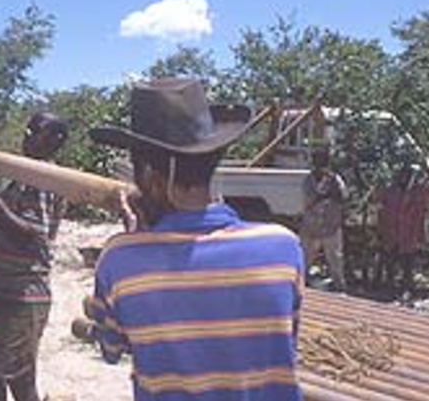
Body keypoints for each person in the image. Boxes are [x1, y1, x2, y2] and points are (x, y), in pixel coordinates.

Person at [76, 78, 304, 401]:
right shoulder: (284, 246)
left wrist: (140, 238)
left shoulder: (120, 259)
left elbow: (112, 347)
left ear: (151, 178)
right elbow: (285, 341)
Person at [0, 112, 69, 401]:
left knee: (18, 377)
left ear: (57, 141)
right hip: (4, 290)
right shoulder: (22, 178)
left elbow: (29, 233)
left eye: (38, 131)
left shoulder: (45, 179)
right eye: (29, 129)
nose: (28, 135)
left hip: (23, 293)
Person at [376, 164, 429, 292]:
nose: (405, 178)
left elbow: (426, 206)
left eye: (408, 175)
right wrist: (381, 230)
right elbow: (382, 209)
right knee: (389, 263)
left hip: (408, 235)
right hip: (391, 234)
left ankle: (407, 288)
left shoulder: (418, 192)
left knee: (407, 264)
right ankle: (389, 287)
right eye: (403, 175)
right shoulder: (391, 191)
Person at [298, 148, 348, 291]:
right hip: (311, 225)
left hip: (331, 225)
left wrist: (331, 190)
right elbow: (309, 199)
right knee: (305, 257)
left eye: (322, 161)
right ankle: (300, 283)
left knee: (335, 259)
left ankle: (340, 287)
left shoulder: (335, 179)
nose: (320, 164)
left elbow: (342, 197)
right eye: (317, 161)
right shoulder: (308, 179)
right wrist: (324, 195)